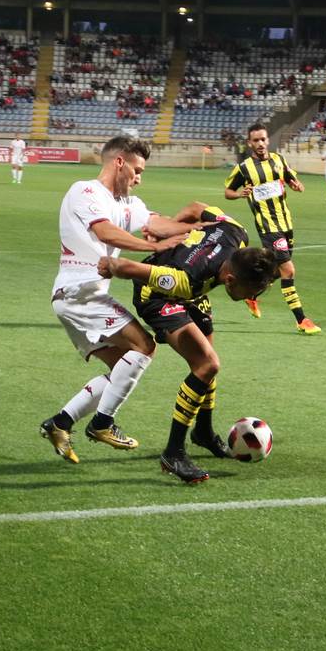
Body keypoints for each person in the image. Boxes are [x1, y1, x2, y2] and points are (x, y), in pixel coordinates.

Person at [39, 134, 198, 464]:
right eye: (137, 170)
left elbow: (158, 223)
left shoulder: (129, 204)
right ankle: (102, 423)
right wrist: (154, 247)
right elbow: (105, 231)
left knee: (120, 369)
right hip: (78, 292)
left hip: (81, 297)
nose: (139, 178)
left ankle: (60, 423)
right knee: (144, 346)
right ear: (119, 162)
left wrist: (206, 227)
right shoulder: (85, 191)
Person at [97, 207, 279, 483]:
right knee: (206, 364)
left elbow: (196, 208)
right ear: (230, 280)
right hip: (158, 297)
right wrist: (109, 265)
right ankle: (173, 453)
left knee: (208, 351)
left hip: (192, 288)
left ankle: (203, 432)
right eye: (250, 292)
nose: (250, 298)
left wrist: (172, 224)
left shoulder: (235, 231)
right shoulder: (183, 280)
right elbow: (126, 268)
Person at [224, 123, 321, 334]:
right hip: (268, 226)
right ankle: (301, 320)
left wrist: (297, 184)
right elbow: (228, 192)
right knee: (288, 270)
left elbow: (289, 177)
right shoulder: (244, 168)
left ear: (267, 140)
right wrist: (240, 193)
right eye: (255, 140)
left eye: (262, 139)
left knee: (276, 271)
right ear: (250, 143)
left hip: (286, 222)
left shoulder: (279, 159)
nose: (260, 143)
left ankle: (251, 295)